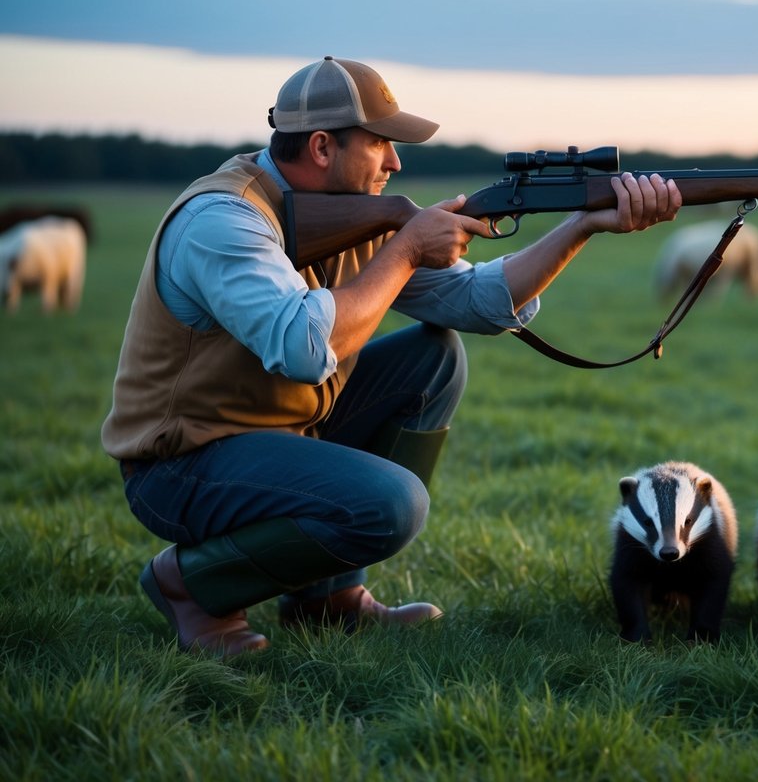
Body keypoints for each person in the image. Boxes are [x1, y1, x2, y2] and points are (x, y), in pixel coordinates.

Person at [101, 56, 682, 657]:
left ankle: (328, 599)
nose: (396, 162)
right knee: (392, 505)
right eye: (381, 143)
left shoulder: (357, 214)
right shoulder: (223, 221)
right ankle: (189, 586)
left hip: (277, 439)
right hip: (179, 464)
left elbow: (480, 301)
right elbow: (303, 348)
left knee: (434, 359)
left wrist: (582, 225)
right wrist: (405, 249)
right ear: (323, 146)